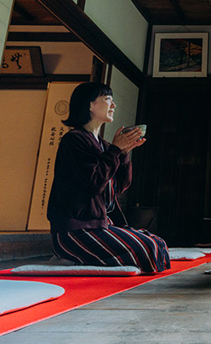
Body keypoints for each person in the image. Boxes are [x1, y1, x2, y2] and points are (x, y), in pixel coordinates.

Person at [46, 82, 170, 273]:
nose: (113, 105)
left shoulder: (103, 145)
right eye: (107, 99)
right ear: (90, 104)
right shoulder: (74, 140)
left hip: (100, 225)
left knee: (158, 243)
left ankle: (83, 260)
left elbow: (120, 186)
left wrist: (123, 153)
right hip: (75, 230)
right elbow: (93, 182)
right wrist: (115, 150)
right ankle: (72, 258)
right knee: (146, 250)